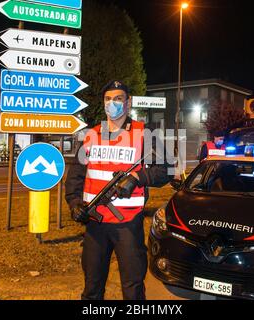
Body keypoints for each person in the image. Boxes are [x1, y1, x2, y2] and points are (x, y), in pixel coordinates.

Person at [65, 80, 173, 300]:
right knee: (92, 288)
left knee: (132, 288)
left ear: (128, 102)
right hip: (95, 225)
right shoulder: (91, 135)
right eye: (107, 99)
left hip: (128, 226)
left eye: (118, 98)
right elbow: (76, 176)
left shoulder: (145, 133)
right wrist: (75, 204)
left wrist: (138, 177)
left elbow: (167, 170)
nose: (112, 103)